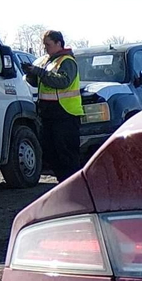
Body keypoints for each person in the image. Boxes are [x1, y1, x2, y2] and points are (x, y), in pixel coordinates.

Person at [22, 30, 84, 179]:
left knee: (67, 156)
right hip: (50, 115)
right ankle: (63, 184)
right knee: (52, 153)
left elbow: (62, 82)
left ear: (58, 43)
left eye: (48, 45)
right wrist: (31, 73)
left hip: (66, 115)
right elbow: (39, 83)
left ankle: (72, 186)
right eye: (44, 45)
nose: (46, 48)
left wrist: (40, 72)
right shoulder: (47, 61)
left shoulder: (67, 61)